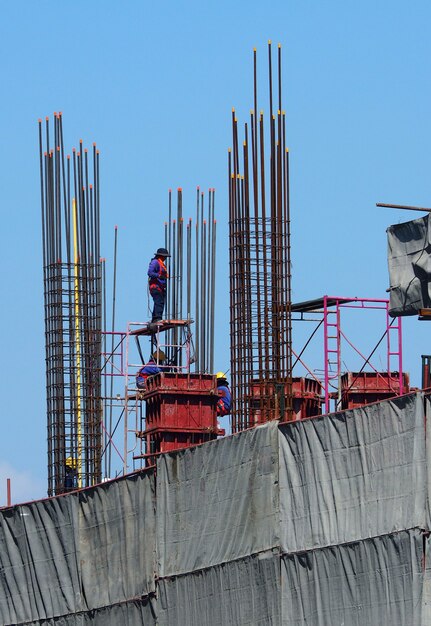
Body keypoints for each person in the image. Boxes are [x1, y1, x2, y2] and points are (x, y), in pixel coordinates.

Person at [147, 247, 170, 322]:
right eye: (165, 256)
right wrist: (159, 275)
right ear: (161, 256)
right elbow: (150, 272)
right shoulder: (155, 262)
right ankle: (157, 318)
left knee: (159, 302)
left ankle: (155, 318)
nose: (166, 258)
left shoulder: (161, 264)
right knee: (159, 302)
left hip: (160, 287)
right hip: (155, 287)